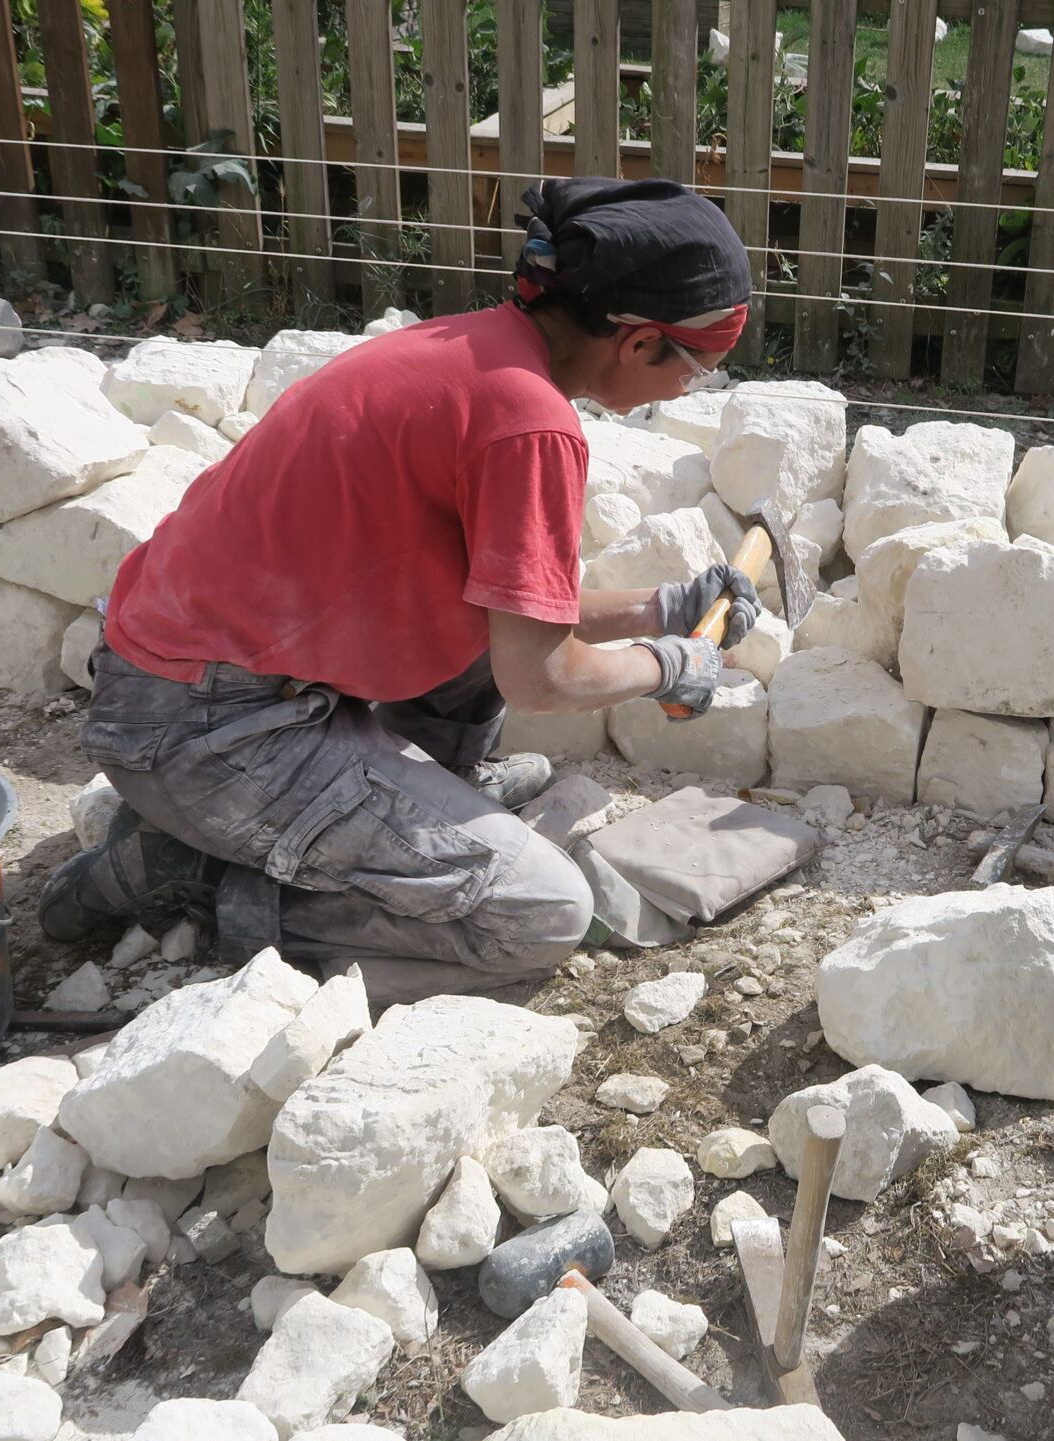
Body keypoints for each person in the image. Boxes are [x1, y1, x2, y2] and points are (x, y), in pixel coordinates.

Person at [39, 176, 759, 999]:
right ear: (636, 343)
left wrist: (660, 609)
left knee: (483, 647)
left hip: (180, 686)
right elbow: (542, 673)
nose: (689, 391)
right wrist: (667, 665)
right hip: (209, 734)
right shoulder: (530, 424)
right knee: (542, 915)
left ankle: (423, 804)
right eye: (699, 371)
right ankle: (207, 883)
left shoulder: (468, 349)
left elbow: (517, 614)